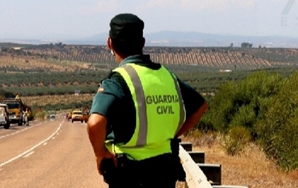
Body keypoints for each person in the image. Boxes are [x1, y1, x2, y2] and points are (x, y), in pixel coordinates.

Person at [87, 13, 208, 188]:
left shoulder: (117, 81)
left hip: (129, 174)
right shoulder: (167, 76)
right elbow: (201, 105)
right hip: (165, 172)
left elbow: (95, 123)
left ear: (109, 43)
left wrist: (100, 153)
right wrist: (172, 133)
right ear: (142, 43)